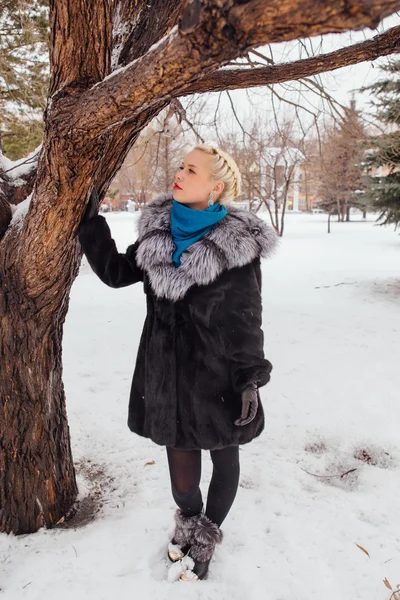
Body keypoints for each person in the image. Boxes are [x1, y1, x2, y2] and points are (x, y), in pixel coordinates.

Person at [78, 144, 277, 581]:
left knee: (224, 460)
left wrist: (249, 381)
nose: (180, 173)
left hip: (219, 377)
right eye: (181, 166)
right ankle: (188, 519)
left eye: (191, 169)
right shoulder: (158, 233)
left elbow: (247, 318)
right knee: (183, 474)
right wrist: (89, 222)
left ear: (216, 186)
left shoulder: (238, 248)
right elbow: (114, 271)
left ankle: (206, 538)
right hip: (165, 376)